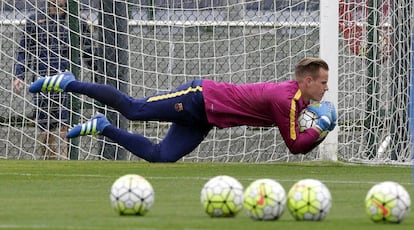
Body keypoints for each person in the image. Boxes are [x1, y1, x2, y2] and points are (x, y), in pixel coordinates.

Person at [29, 57, 337, 162]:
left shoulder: (300, 99)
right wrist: (321, 128)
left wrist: (320, 126)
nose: (326, 87)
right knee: (134, 109)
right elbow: (296, 145)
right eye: (322, 82)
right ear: (307, 81)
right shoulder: (286, 100)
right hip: (198, 98)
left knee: (161, 157)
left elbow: (299, 138)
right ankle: (69, 83)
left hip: (206, 118)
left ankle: (103, 127)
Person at [13, 0, 92, 159]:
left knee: (65, 123)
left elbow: (88, 52)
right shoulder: (36, 19)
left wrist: (97, 73)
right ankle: (49, 159)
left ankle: (64, 158)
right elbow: (24, 51)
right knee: (45, 127)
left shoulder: (77, 21)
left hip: (68, 80)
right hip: (43, 80)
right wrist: (19, 75)